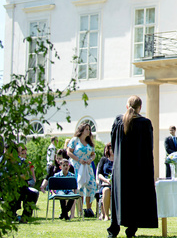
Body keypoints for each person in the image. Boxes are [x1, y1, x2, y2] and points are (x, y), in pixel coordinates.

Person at [108, 95, 158, 238]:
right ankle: (131, 231)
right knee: (135, 199)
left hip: (121, 168)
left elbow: (113, 143)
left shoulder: (118, 121)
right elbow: (149, 147)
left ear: (127, 106)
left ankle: (113, 230)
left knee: (119, 198)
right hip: (137, 167)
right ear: (140, 107)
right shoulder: (145, 123)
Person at [67, 123, 97, 218]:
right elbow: (68, 152)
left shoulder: (89, 142)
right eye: (87, 129)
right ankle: (79, 211)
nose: (88, 131)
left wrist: (90, 159)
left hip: (87, 167)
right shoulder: (75, 140)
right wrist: (78, 159)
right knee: (78, 188)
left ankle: (88, 209)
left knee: (90, 186)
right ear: (82, 130)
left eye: (89, 129)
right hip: (77, 166)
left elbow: (93, 154)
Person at [97, 142, 114, 221]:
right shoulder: (104, 160)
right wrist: (106, 180)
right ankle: (106, 215)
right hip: (105, 183)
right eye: (111, 148)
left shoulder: (119, 159)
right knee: (106, 190)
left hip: (116, 183)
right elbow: (99, 174)